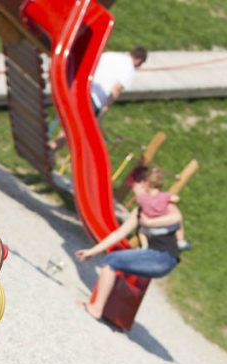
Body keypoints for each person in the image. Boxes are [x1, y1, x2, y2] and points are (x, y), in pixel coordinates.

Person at [75, 166, 186, 321]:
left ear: (144, 184)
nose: (132, 188)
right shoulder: (140, 211)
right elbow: (119, 234)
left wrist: (149, 223)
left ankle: (96, 309)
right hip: (160, 258)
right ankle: (112, 312)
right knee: (114, 260)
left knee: (111, 261)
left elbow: (177, 217)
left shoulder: (165, 205)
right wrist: (92, 251)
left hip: (162, 257)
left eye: (134, 185)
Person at [49, 47, 147, 151]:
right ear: (139, 60)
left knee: (67, 126)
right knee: (72, 132)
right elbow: (116, 90)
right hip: (93, 101)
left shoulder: (110, 55)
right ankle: (50, 149)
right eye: (139, 65)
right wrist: (103, 111)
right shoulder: (130, 70)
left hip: (81, 89)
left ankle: (50, 151)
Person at [135, 165, 192, 252]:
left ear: (147, 184)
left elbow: (138, 201)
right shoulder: (164, 196)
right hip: (165, 227)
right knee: (178, 225)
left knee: (140, 232)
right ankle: (180, 241)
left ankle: (144, 246)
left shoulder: (143, 198)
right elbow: (176, 199)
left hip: (148, 229)